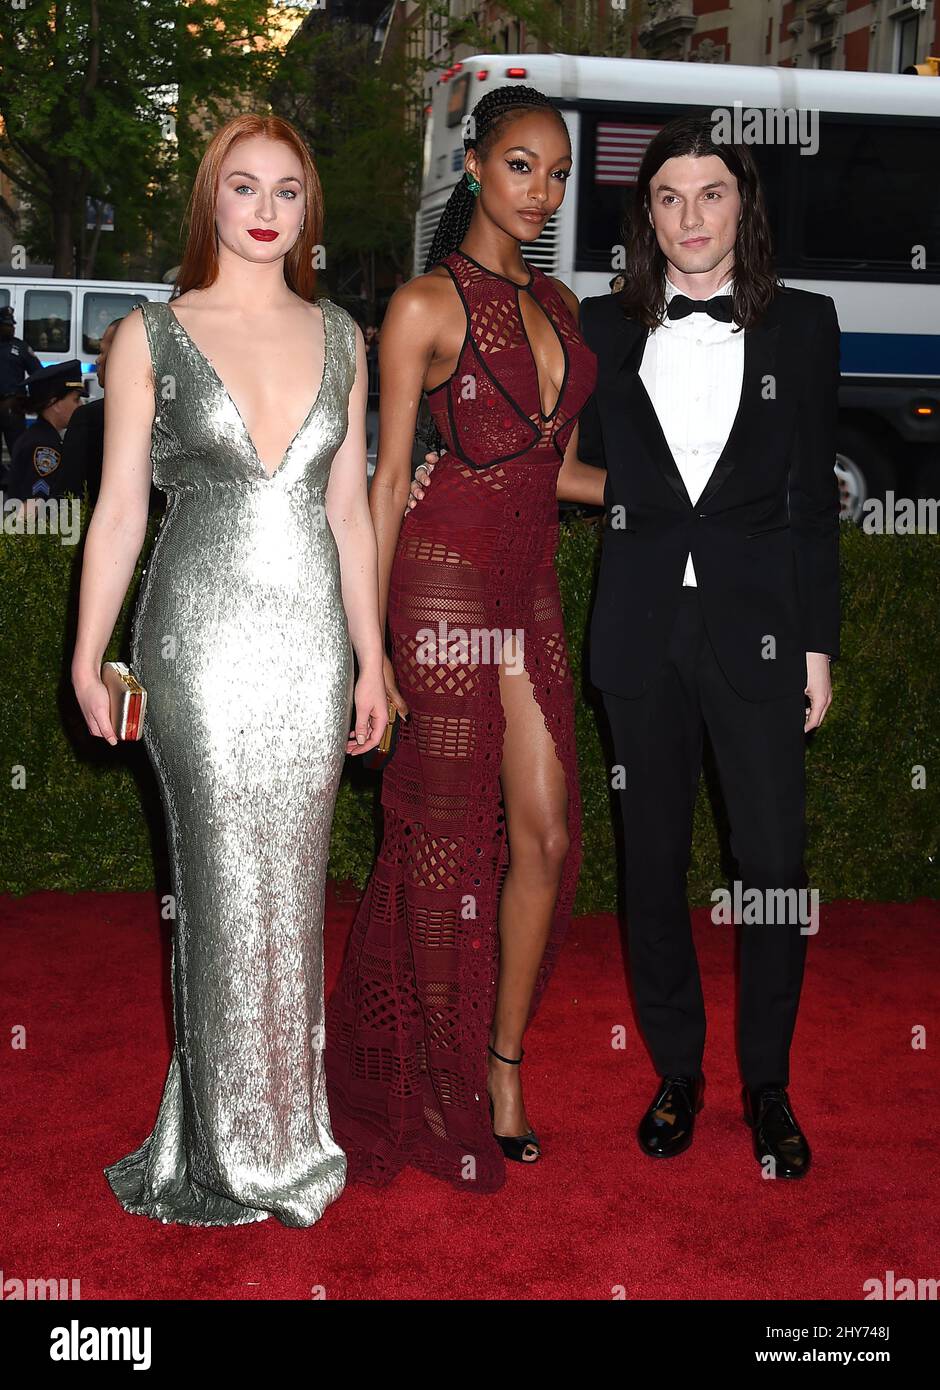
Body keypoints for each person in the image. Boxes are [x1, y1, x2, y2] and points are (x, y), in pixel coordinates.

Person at [411, 115, 841, 1180]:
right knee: (650, 870)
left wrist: (819, 646)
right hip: (639, 628)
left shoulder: (806, 325)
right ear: (644, 216)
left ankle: (768, 1086)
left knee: (774, 869)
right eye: (667, 198)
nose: (690, 217)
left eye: (711, 195)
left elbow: (812, 505)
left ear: (743, 208)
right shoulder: (597, 325)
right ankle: (679, 1074)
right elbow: (523, 447)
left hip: (760, 630)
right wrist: (433, 468)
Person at [71, 113, 388, 1227]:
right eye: (244, 186)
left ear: (308, 210)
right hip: (194, 643)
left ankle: (281, 1132)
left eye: (288, 190)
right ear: (210, 199)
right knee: (215, 880)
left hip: (308, 644)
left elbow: (350, 513)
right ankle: (230, 1152)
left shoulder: (346, 335)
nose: (265, 208)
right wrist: (88, 651)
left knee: (290, 885)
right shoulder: (148, 335)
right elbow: (117, 514)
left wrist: (374, 662)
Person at [324, 85, 599, 1192]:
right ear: (477, 168)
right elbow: (388, 482)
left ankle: (501, 1064)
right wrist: (370, 653)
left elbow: (557, 467)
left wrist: (680, 502)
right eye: (522, 166)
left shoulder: (567, 307)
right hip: (438, 582)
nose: (542, 191)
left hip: (528, 582)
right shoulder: (423, 306)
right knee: (440, 848)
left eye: (560, 172)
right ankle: (423, 1083)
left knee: (541, 833)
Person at [4, 360, 86, 504]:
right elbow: (34, 506)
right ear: (54, 404)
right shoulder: (43, 447)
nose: (81, 405)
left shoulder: (42, 437)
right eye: (76, 399)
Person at [0, 305, 42, 473]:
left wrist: (32, 399)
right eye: (6, 324)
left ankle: (18, 482)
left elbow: (37, 373)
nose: (11, 328)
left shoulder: (21, 348)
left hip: (13, 405)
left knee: (17, 448)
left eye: (12, 324)